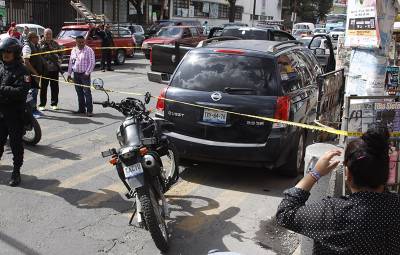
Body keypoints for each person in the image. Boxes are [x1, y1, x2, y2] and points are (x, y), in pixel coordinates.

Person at [276, 127, 400, 254]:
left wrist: (314, 174)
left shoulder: (333, 212)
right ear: (386, 173)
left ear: (348, 174)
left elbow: (285, 213)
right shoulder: (395, 207)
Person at [0, 37, 31, 187]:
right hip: (0, 112)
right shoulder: (1, 67)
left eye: (8, 52)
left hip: (14, 114)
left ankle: (16, 171)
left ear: (16, 53)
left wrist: (1, 89)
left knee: (15, 145)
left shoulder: (23, 70)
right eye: (3, 52)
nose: (5, 54)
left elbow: (20, 92)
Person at [67, 35, 95, 117]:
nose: (81, 44)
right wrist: (69, 74)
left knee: (87, 92)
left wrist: (87, 73)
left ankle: (89, 111)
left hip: (85, 74)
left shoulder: (89, 50)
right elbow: (71, 63)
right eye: (79, 42)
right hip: (76, 74)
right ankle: (81, 109)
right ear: (76, 42)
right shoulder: (73, 50)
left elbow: (92, 63)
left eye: (83, 42)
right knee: (79, 92)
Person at [22, 32, 47, 118]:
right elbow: (26, 62)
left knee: (35, 92)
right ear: (32, 38)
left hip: (36, 74)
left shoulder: (35, 45)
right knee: (31, 93)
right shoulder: (27, 47)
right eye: (36, 37)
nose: (38, 38)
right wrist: (35, 73)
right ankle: (31, 111)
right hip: (29, 74)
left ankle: (34, 109)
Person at [39, 28, 61, 111]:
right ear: (44, 34)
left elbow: (61, 54)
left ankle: (54, 103)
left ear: (52, 35)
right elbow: (37, 56)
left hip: (54, 69)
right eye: (46, 34)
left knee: (54, 87)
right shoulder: (40, 44)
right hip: (44, 69)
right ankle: (42, 104)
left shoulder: (55, 44)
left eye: (50, 34)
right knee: (43, 87)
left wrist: (59, 62)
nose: (48, 35)